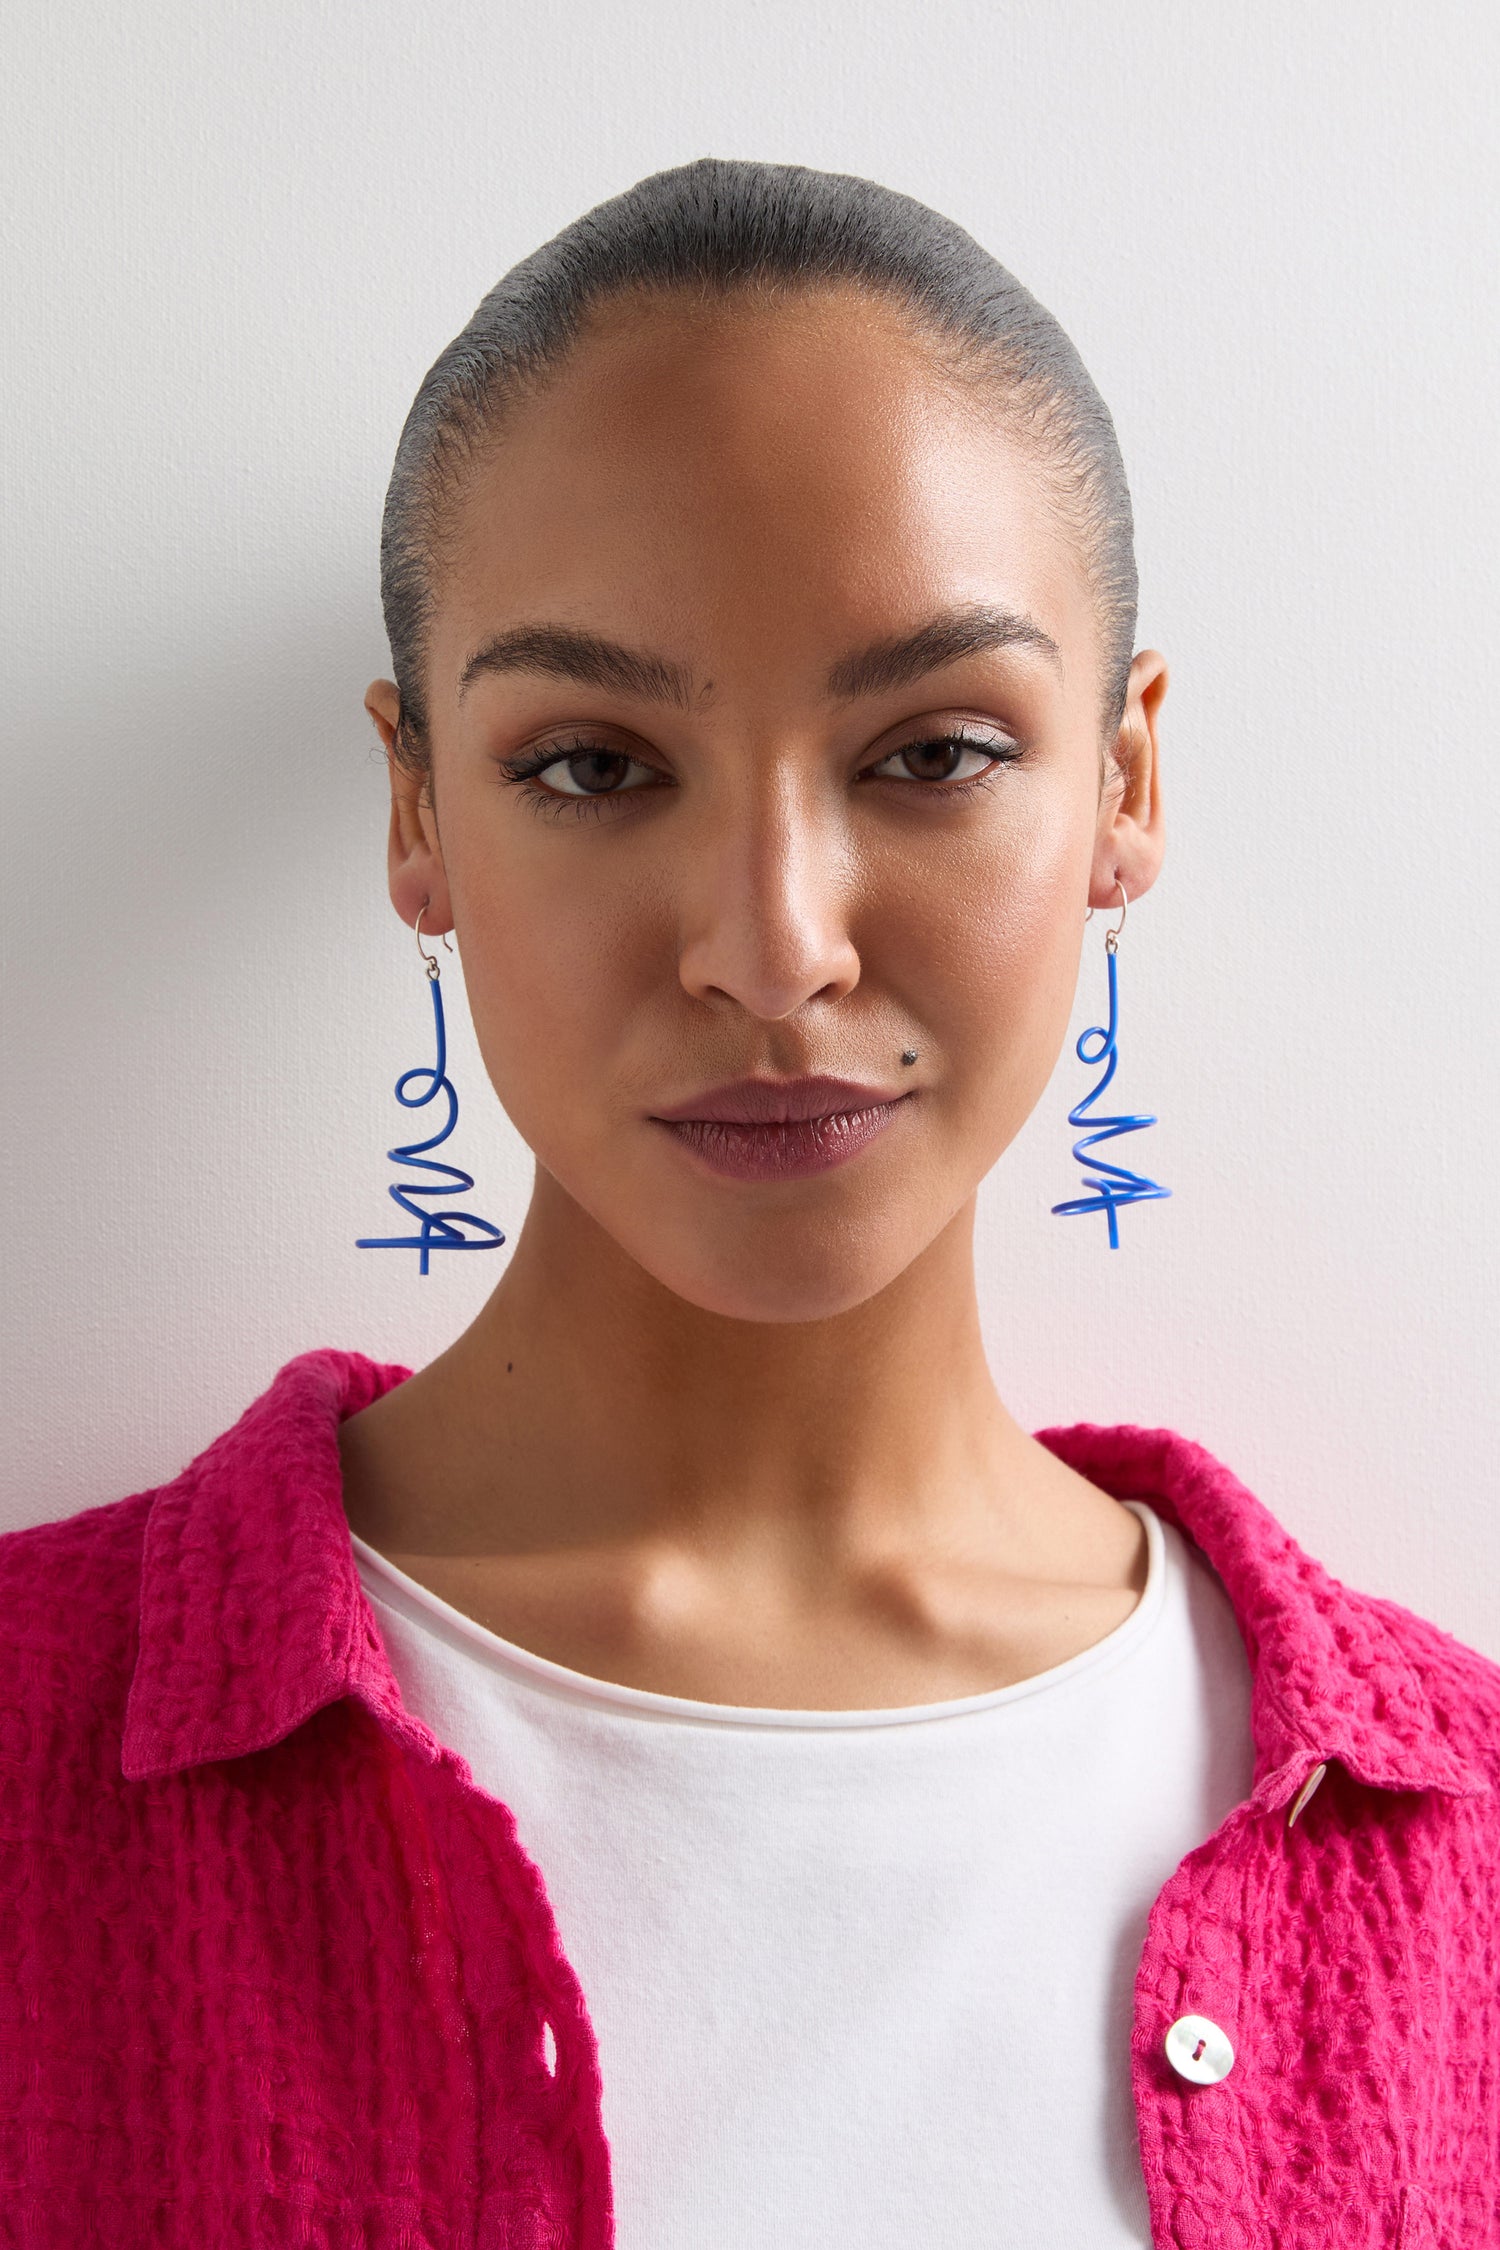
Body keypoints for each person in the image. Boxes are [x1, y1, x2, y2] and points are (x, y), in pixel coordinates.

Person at [1, 159, 1495, 2250]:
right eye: (595, 766)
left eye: (935, 751)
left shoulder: (1467, 1860)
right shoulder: (24, 1753)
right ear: (420, 807)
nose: (772, 946)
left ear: (1124, 787)